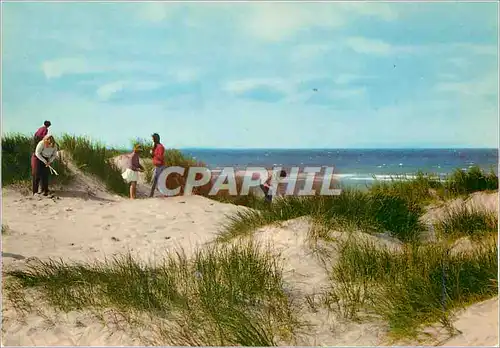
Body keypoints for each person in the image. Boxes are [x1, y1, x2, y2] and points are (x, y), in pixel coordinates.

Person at [149, 133, 165, 197]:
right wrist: (152, 154)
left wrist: (153, 153)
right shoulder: (155, 146)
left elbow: (160, 157)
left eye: (153, 138)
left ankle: (164, 195)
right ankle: (151, 195)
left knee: (159, 181)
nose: (152, 140)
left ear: (155, 139)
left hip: (160, 166)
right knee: (154, 181)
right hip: (156, 166)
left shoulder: (160, 147)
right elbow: (154, 157)